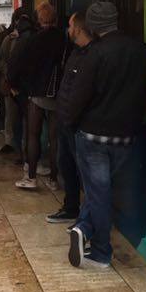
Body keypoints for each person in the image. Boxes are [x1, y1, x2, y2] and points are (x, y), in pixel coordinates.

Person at [64, 2, 146, 270]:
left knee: (97, 192)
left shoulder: (95, 54)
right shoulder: (141, 50)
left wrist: (69, 122)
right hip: (125, 135)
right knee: (105, 193)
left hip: (93, 136)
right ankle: (84, 230)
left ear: (93, 25)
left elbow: (80, 95)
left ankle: (100, 250)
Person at [9, 3, 68, 190]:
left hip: (36, 92)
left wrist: (18, 86)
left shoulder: (34, 39)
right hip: (57, 92)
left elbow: (22, 65)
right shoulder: (64, 39)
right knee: (54, 137)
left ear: (39, 19)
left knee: (33, 134)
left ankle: (31, 177)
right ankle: (53, 179)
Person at [47, 11, 90, 224]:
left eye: (71, 26)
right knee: (66, 165)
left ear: (79, 29)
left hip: (76, 123)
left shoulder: (91, 55)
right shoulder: (75, 52)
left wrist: (71, 119)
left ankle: (85, 217)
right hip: (65, 119)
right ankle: (70, 206)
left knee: (83, 171)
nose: (68, 29)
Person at [0, 8, 35, 159]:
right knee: (14, 119)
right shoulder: (8, 39)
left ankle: (24, 150)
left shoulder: (32, 37)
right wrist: (9, 77)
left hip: (25, 87)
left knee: (25, 121)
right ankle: (17, 149)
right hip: (12, 86)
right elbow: (2, 60)